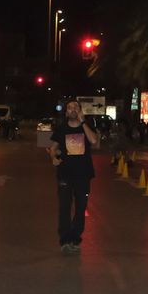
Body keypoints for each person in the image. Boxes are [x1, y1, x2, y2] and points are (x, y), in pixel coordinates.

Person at [48, 101, 99, 253]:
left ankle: (75, 238)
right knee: (64, 208)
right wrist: (53, 158)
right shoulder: (61, 129)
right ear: (66, 113)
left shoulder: (86, 127)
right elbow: (53, 148)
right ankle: (65, 240)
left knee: (80, 208)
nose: (73, 110)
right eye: (70, 108)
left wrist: (83, 122)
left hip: (83, 175)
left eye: (76, 107)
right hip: (65, 174)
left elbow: (94, 140)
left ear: (80, 111)